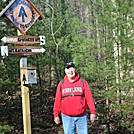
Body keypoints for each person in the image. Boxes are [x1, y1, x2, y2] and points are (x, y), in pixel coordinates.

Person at [53, 62, 96, 134]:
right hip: (67, 117)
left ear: (75, 70)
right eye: (68, 69)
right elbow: (57, 100)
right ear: (65, 71)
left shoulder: (82, 82)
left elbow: (89, 98)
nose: (71, 71)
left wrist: (93, 112)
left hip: (81, 117)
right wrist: (56, 115)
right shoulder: (61, 84)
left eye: (72, 69)